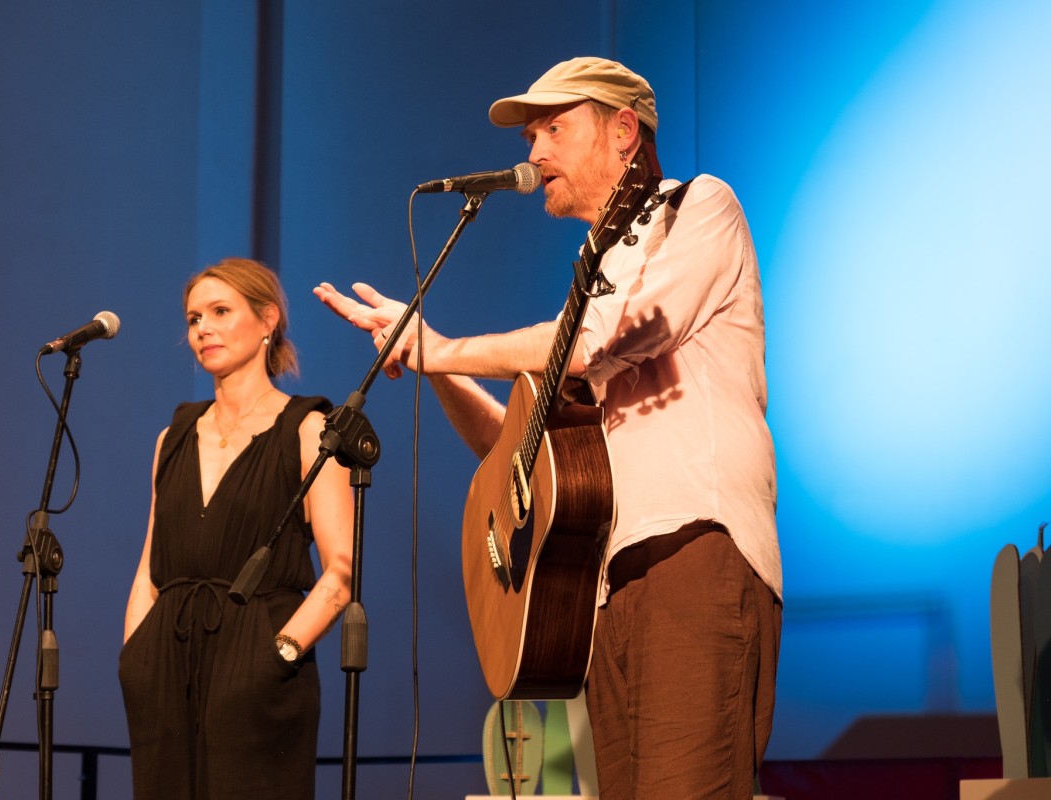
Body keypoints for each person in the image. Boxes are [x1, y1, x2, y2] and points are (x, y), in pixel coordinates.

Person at [315, 57, 782, 799]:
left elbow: (605, 338)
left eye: (553, 129)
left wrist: (444, 346)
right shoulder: (596, 268)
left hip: (695, 550)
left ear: (623, 131)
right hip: (607, 585)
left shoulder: (699, 208)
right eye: (531, 135)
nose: (532, 154)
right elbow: (518, 454)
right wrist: (427, 359)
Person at [119, 257, 353, 800]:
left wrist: (279, 656)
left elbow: (340, 573)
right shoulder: (172, 437)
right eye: (194, 317)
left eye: (221, 311)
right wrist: (135, 659)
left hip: (260, 663)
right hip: (164, 666)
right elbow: (149, 569)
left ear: (267, 319)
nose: (203, 328)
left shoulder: (310, 429)